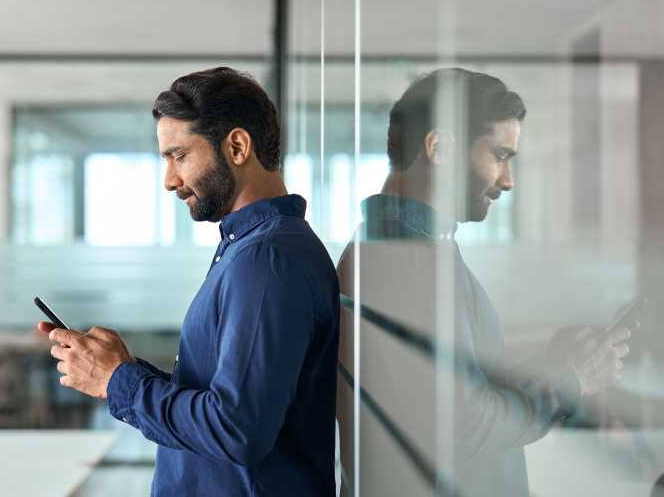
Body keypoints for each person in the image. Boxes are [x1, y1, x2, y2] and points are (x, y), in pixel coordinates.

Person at [37, 67, 340, 496]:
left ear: (237, 146)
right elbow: (220, 401)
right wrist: (116, 368)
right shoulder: (250, 249)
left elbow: (237, 429)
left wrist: (118, 381)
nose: (170, 181)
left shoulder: (266, 259)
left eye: (179, 156)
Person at [335, 68, 634, 497]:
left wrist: (550, 361)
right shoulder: (401, 256)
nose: (507, 182)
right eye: (499, 155)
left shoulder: (422, 246)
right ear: (438, 147)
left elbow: (447, 387)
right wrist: (570, 379)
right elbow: (462, 425)